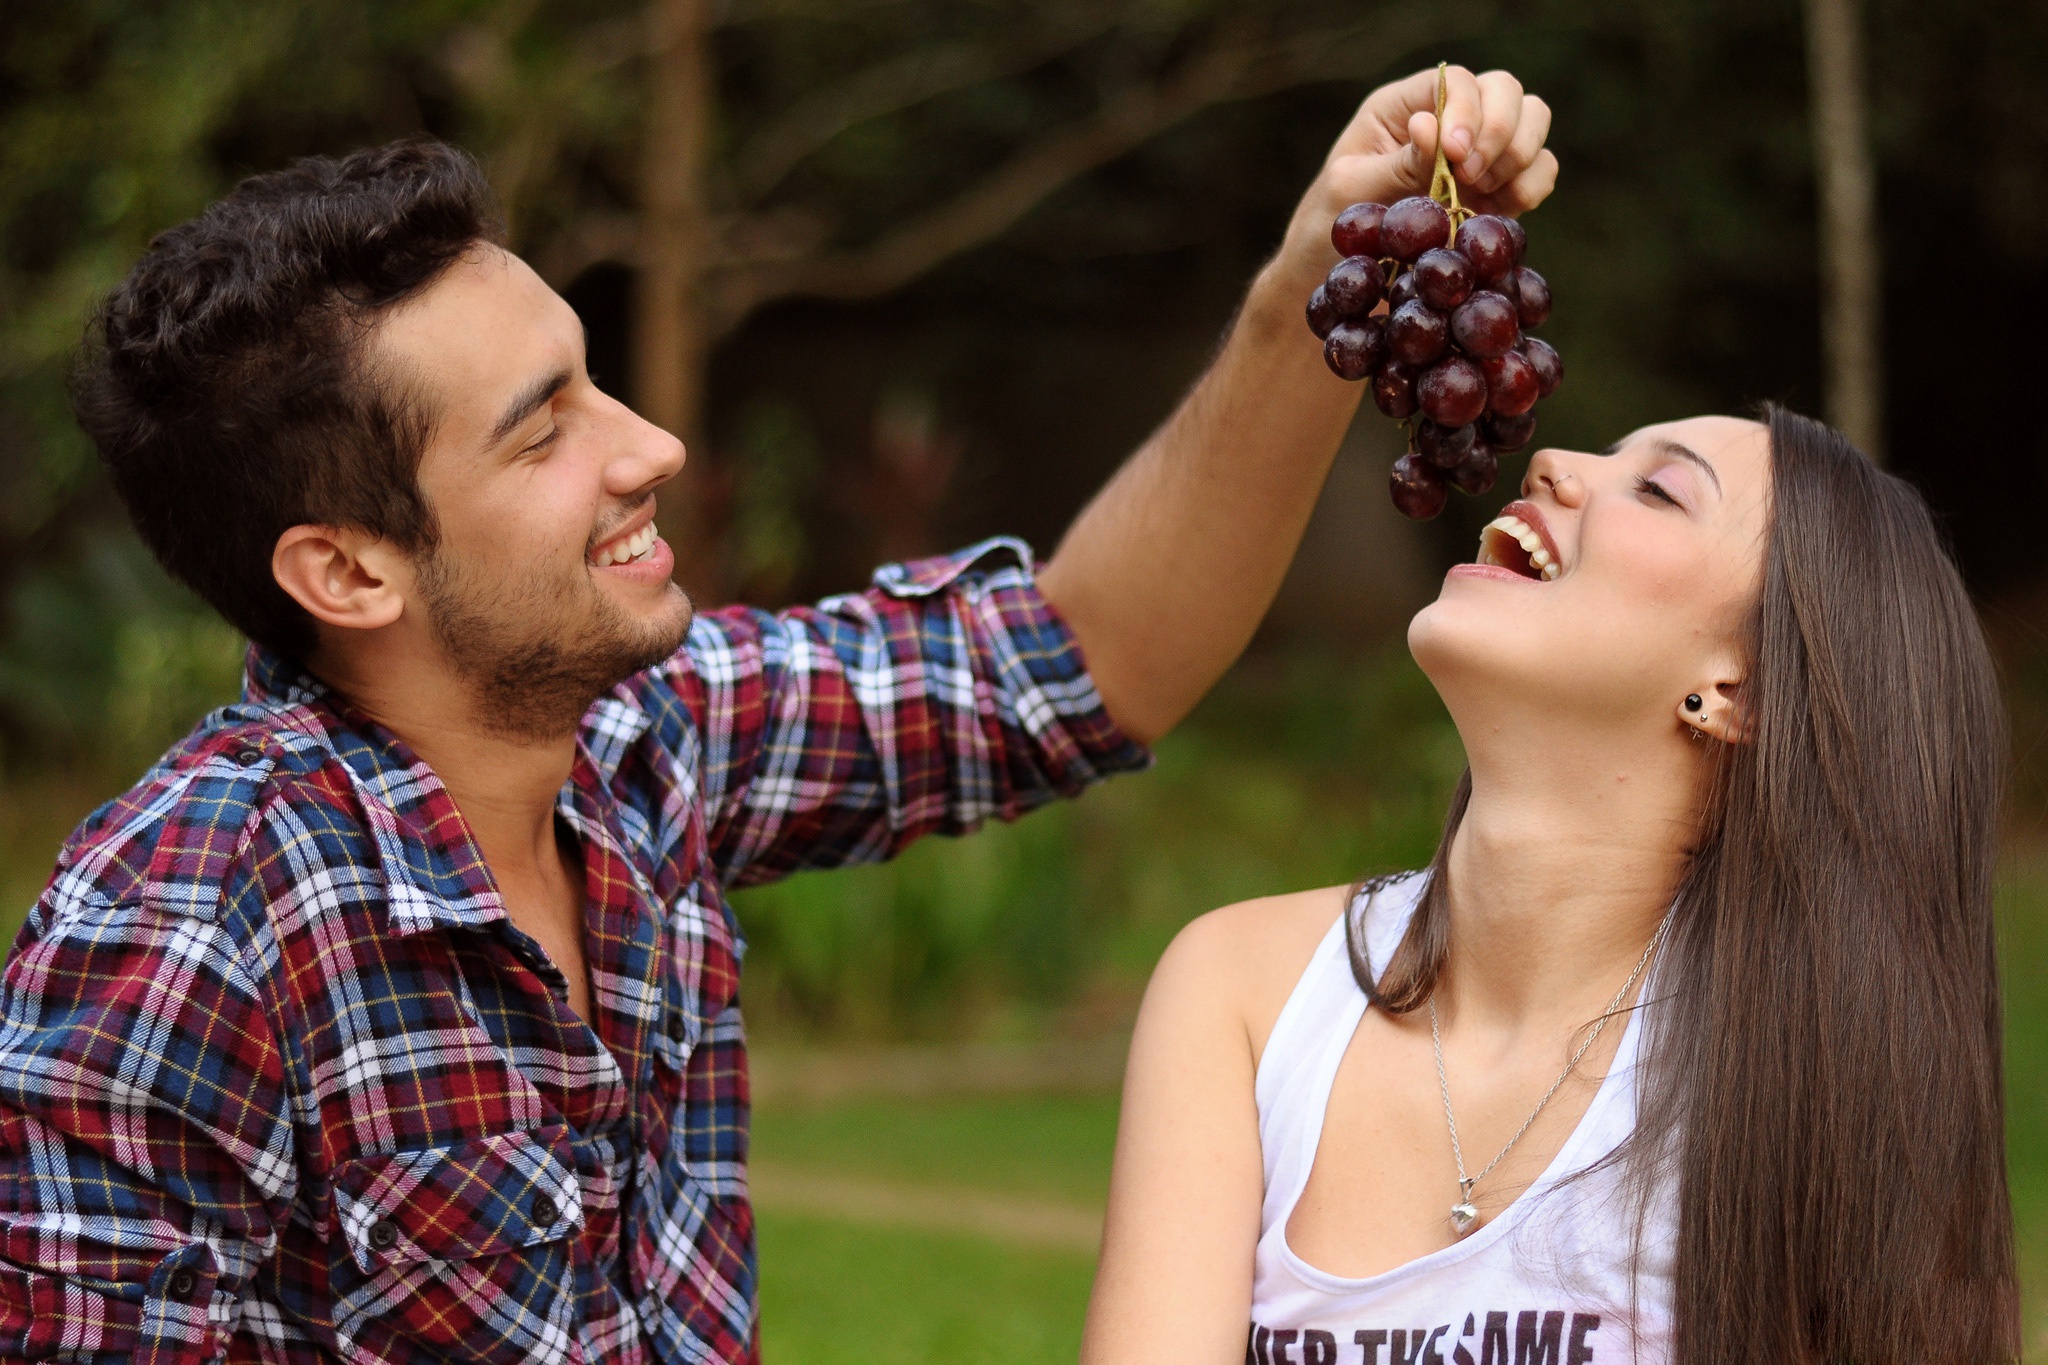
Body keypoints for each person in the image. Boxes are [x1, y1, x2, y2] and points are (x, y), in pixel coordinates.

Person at [0, 65, 1555, 1365]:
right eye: (543, 434)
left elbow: (1079, 659)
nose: (651, 444)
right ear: (346, 569)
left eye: (592, 382)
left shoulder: (641, 747)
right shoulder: (181, 933)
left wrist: (1307, 291)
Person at [1082, 408, 2020, 1363]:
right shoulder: (1245, 991)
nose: (1554, 464)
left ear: (1743, 691)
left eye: (1660, 489)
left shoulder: (1808, 1079)